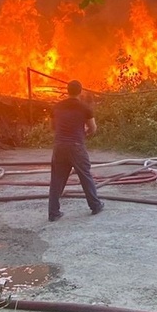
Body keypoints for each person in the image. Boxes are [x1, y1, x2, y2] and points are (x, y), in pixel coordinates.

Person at [48, 80, 104, 222]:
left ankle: (53, 212)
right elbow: (93, 128)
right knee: (85, 176)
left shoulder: (56, 107)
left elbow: (53, 127)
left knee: (56, 180)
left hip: (59, 146)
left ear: (67, 91)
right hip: (76, 146)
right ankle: (95, 205)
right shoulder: (85, 108)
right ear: (80, 91)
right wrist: (83, 132)